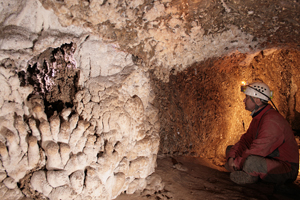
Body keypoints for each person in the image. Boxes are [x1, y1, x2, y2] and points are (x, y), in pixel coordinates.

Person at [225, 82, 299, 185]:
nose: (244, 100)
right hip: (268, 158)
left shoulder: (271, 120)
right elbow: (245, 140)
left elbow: (259, 150)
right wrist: (232, 157)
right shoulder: (259, 117)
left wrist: (236, 163)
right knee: (230, 149)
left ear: (257, 100)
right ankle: (247, 171)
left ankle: (251, 177)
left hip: (286, 168)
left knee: (251, 162)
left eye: (247, 97)